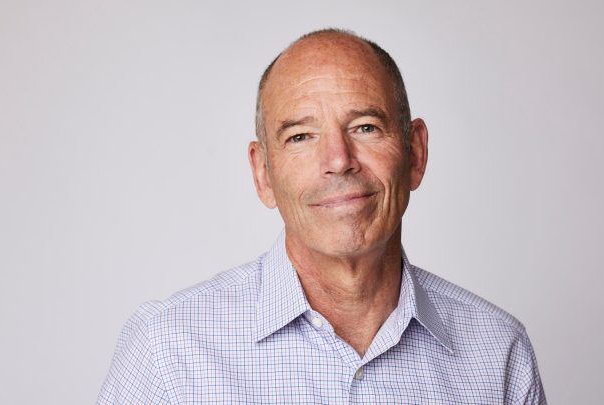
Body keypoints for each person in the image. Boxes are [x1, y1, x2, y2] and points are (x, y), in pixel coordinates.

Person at [97, 28, 546, 404]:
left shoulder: (499, 352)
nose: (338, 159)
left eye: (365, 127)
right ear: (263, 173)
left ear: (416, 153)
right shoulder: (168, 352)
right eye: (300, 136)